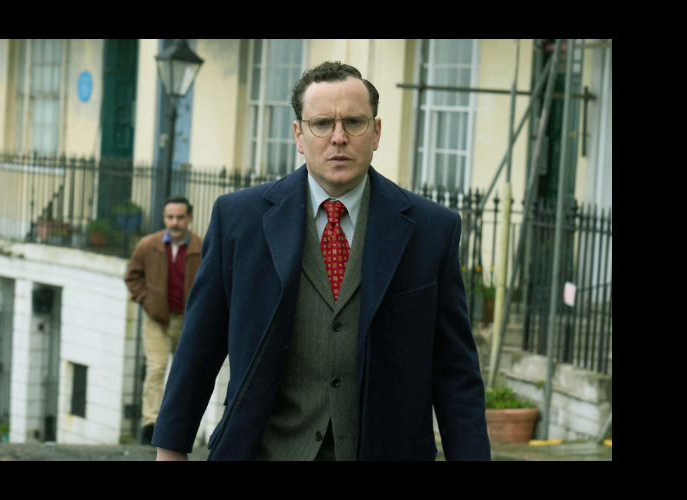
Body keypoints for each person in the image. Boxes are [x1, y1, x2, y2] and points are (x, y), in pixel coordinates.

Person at [153, 61, 490, 461]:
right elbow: (198, 349)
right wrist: (171, 450)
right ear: (298, 134)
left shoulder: (432, 230)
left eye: (354, 122)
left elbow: (455, 373)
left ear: (377, 132)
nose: (339, 137)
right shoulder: (239, 220)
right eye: (322, 123)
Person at [124, 196, 203, 445]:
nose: (175, 222)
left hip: (189, 322)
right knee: (156, 368)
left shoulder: (202, 246)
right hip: (157, 320)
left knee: (185, 374)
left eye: (180, 217)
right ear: (163, 218)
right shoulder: (148, 245)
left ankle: (178, 424)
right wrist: (148, 301)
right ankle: (150, 423)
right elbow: (132, 277)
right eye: (170, 217)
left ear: (189, 218)